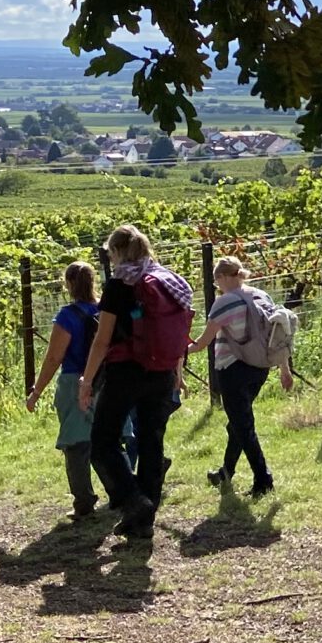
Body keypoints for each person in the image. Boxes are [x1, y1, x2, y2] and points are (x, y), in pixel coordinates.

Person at [78, 224, 192, 540]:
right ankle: (142, 520)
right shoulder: (167, 281)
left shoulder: (120, 284)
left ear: (116, 252)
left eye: (111, 254)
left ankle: (133, 501)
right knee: (151, 441)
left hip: (125, 371)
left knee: (103, 442)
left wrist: (87, 380)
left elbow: (102, 340)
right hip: (162, 371)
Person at [196, 255, 293, 494]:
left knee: (243, 425)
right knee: (238, 424)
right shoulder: (261, 295)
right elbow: (276, 335)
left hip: (232, 368)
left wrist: (178, 351)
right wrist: (284, 368)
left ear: (220, 277)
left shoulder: (224, 302)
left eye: (216, 280)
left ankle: (263, 479)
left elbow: (202, 342)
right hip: (260, 367)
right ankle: (225, 472)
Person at [26, 262, 105, 518]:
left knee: (76, 445)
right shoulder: (104, 310)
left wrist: (36, 391)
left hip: (74, 382)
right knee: (109, 441)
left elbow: (53, 359)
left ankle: (84, 501)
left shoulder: (67, 316)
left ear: (69, 284)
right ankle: (122, 492)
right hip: (105, 380)